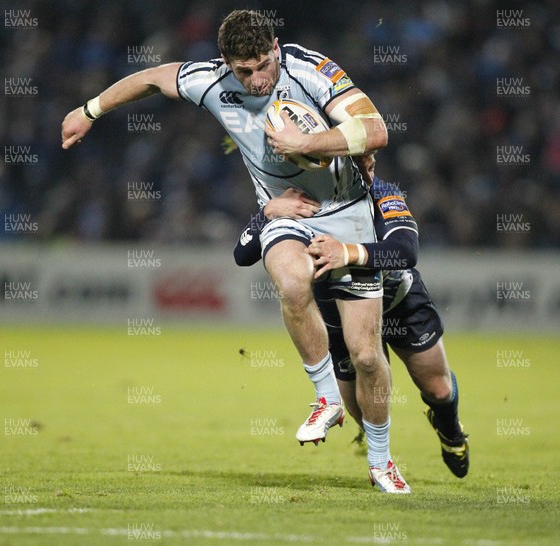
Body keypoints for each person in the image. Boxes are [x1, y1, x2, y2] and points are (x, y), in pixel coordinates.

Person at [61, 10, 409, 493]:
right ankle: (326, 397)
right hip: (284, 211)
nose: (256, 78)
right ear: (226, 63)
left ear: (276, 48)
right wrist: (89, 110)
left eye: (263, 65)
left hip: (348, 212)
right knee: (291, 281)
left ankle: (380, 459)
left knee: (368, 356)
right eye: (243, 71)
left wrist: (305, 142)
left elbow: (376, 131)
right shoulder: (211, 81)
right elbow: (151, 78)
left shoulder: (312, 69)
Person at [234, 158, 469, 478]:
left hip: (398, 302)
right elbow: (242, 254)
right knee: (360, 406)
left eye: (371, 158)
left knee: (438, 389)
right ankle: (381, 461)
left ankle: (451, 431)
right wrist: (266, 215)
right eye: (359, 157)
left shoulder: (384, 193)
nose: (368, 164)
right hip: (339, 316)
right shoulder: (304, 201)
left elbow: (404, 250)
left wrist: (346, 252)